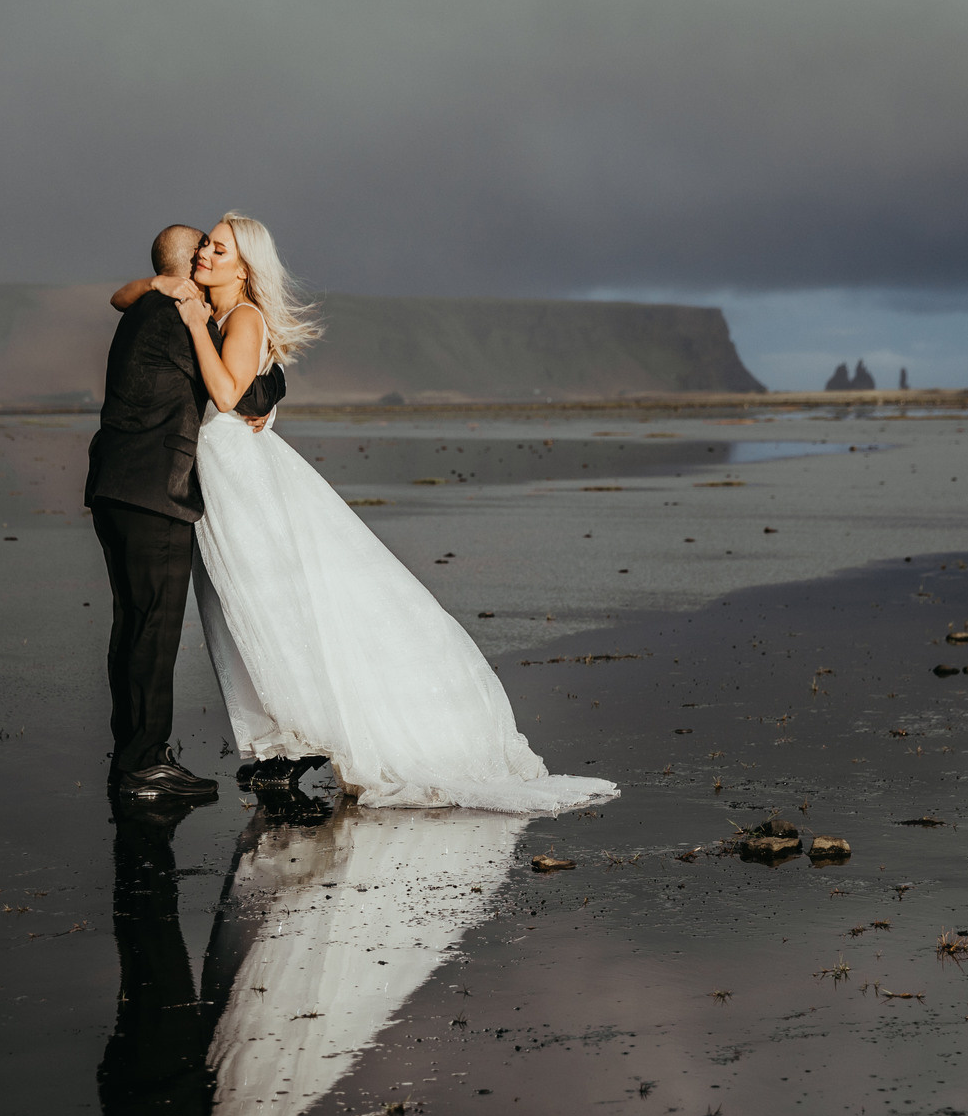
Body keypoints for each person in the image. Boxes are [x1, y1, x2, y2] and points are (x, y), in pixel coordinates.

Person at [108, 212, 615, 813]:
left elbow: (225, 392)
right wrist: (169, 297)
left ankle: (308, 734)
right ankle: (280, 740)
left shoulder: (235, 317)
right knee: (242, 614)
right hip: (209, 481)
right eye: (203, 249)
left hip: (237, 481)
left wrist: (221, 350)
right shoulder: (198, 307)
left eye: (218, 249)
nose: (205, 258)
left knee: (278, 605)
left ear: (244, 265)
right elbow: (137, 306)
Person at [83, 225, 219, 800]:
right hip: (153, 493)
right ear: (186, 265)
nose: (213, 252)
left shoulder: (138, 310)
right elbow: (243, 393)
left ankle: (134, 756)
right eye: (207, 246)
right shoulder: (176, 315)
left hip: (116, 486)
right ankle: (144, 766)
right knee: (154, 631)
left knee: (133, 625)